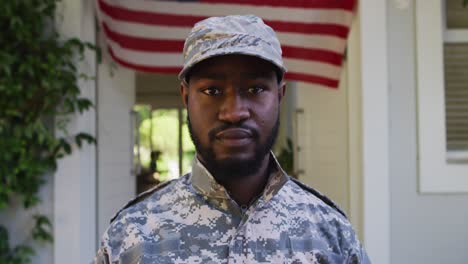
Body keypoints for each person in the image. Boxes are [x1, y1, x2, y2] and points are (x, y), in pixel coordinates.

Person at [94, 15, 370, 264]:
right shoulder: (131, 235)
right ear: (185, 97)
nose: (234, 112)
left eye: (256, 88)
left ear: (280, 96)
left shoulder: (331, 235)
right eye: (212, 90)